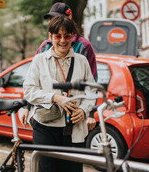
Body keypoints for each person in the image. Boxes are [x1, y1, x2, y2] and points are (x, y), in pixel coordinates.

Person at [23, 16, 96, 172]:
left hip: (74, 129)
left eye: (67, 36)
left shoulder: (82, 61)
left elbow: (91, 91)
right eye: (58, 36)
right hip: (46, 128)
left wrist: (84, 110)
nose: (62, 40)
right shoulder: (39, 60)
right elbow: (29, 90)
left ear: (72, 37)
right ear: (50, 37)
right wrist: (55, 98)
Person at [21, 2, 98, 131]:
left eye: (56, 18)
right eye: (51, 19)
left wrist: (89, 113)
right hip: (49, 117)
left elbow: (92, 83)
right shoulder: (45, 46)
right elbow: (33, 82)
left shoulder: (83, 46)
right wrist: (27, 107)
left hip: (74, 118)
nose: (53, 22)